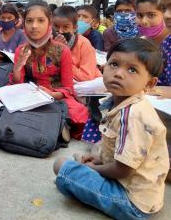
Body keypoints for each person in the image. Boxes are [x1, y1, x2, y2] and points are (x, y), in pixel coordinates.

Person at [53, 38, 169, 220]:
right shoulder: (126, 104)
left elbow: (124, 170)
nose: (119, 74)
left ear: (150, 84)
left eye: (132, 69)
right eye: (114, 64)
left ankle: (83, 173)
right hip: (144, 193)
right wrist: (99, 159)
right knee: (96, 148)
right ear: (103, 67)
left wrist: (92, 169)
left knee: (61, 165)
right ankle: (87, 167)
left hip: (132, 203)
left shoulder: (133, 115)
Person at [11, 0, 88, 138]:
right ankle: (56, 125)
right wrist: (17, 69)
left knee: (79, 112)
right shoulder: (21, 50)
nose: (34, 26)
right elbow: (17, 85)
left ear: (49, 23)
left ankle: (55, 124)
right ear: (24, 24)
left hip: (56, 97)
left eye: (40, 20)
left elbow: (68, 89)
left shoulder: (62, 50)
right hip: (29, 96)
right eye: (29, 21)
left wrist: (52, 95)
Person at [53, 6, 101, 82]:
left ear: (75, 28)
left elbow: (86, 77)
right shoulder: (48, 42)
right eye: (56, 26)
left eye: (65, 27)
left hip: (86, 85)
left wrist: (62, 55)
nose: (60, 31)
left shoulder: (83, 43)